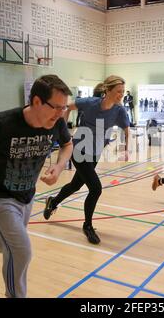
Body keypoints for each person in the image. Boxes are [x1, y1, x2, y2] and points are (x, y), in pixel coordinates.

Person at [0, 75, 73, 298]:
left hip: (27, 195)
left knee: (6, 242)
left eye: (64, 107)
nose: (61, 113)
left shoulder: (56, 123)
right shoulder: (2, 123)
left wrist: (59, 167)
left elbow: (67, 145)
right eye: (56, 107)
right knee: (21, 249)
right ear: (37, 101)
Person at [43, 75, 130, 245]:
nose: (121, 94)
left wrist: (126, 149)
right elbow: (67, 107)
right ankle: (88, 226)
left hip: (95, 153)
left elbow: (127, 129)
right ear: (108, 90)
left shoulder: (119, 110)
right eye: (118, 91)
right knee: (96, 188)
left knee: (76, 185)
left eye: (123, 92)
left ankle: (53, 201)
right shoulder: (90, 103)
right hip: (79, 150)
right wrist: (63, 131)